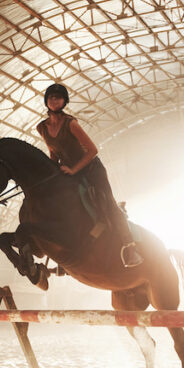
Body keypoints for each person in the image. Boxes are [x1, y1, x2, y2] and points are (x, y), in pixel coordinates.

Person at [36, 83, 144, 268]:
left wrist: (73, 170)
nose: (54, 100)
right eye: (51, 97)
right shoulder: (42, 128)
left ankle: (130, 248)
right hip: (67, 171)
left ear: (64, 101)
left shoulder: (71, 124)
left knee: (109, 205)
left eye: (58, 97)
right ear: (46, 100)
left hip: (91, 169)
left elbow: (92, 150)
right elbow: (53, 152)